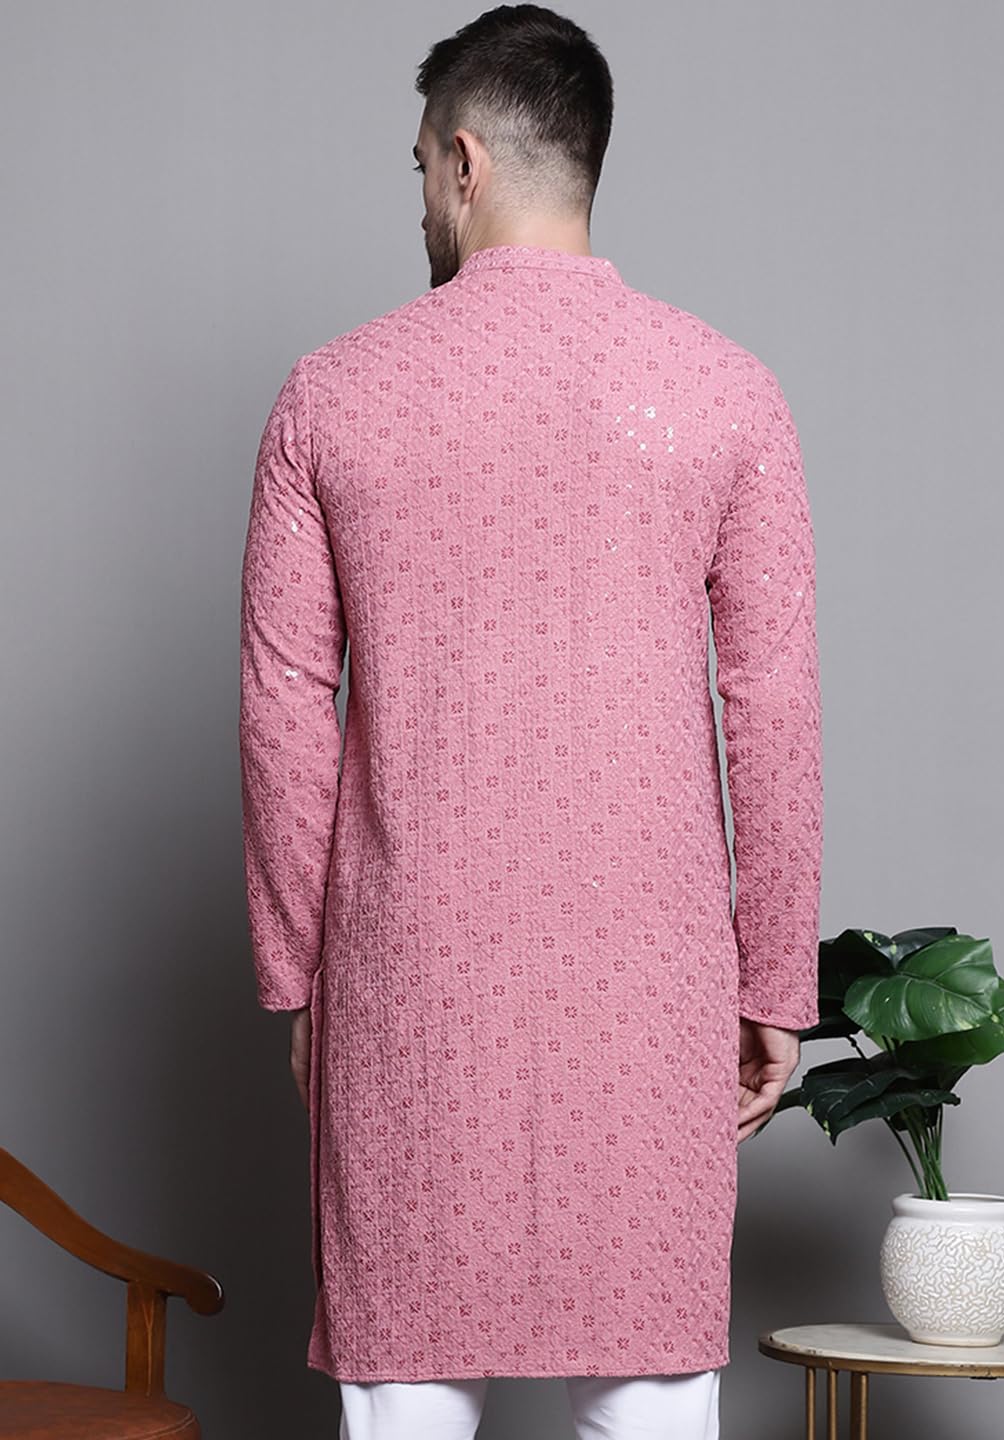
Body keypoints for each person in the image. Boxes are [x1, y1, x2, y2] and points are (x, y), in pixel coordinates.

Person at [238, 5, 823, 1437]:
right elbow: (772, 704)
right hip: (650, 989)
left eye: (417, 169)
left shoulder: (332, 394)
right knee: (650, 1388)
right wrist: (772, 980)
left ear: (462, 161)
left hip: (408, 983)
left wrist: (300, 976)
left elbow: (283, 707)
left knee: (406, 1388)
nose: (419, 203)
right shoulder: (726, 390)